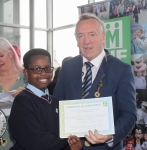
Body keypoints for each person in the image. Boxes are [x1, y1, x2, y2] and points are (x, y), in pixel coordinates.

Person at [53, 13, 137, 150]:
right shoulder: (68, 67)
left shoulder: (122, 69)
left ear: (103, 37)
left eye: (92, 34)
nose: (86, 41)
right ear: (76, 40)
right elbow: (56, 106)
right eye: (81, 36)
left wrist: (111, 135)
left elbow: (129, 114)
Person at [8, 48, 82, 150]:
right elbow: (36, 143)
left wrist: (73, 146)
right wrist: (69, 137)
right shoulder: (22, 102)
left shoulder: (55, 102)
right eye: (37, 69)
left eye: (47, 68)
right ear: (26, 73)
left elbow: (58, 140)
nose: (43, 73)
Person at [0, 37, 27, 150]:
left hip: (24, 138)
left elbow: (45, 102)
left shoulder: (27, 76)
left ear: (11, 53)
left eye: (1, 56)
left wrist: (28, 94)